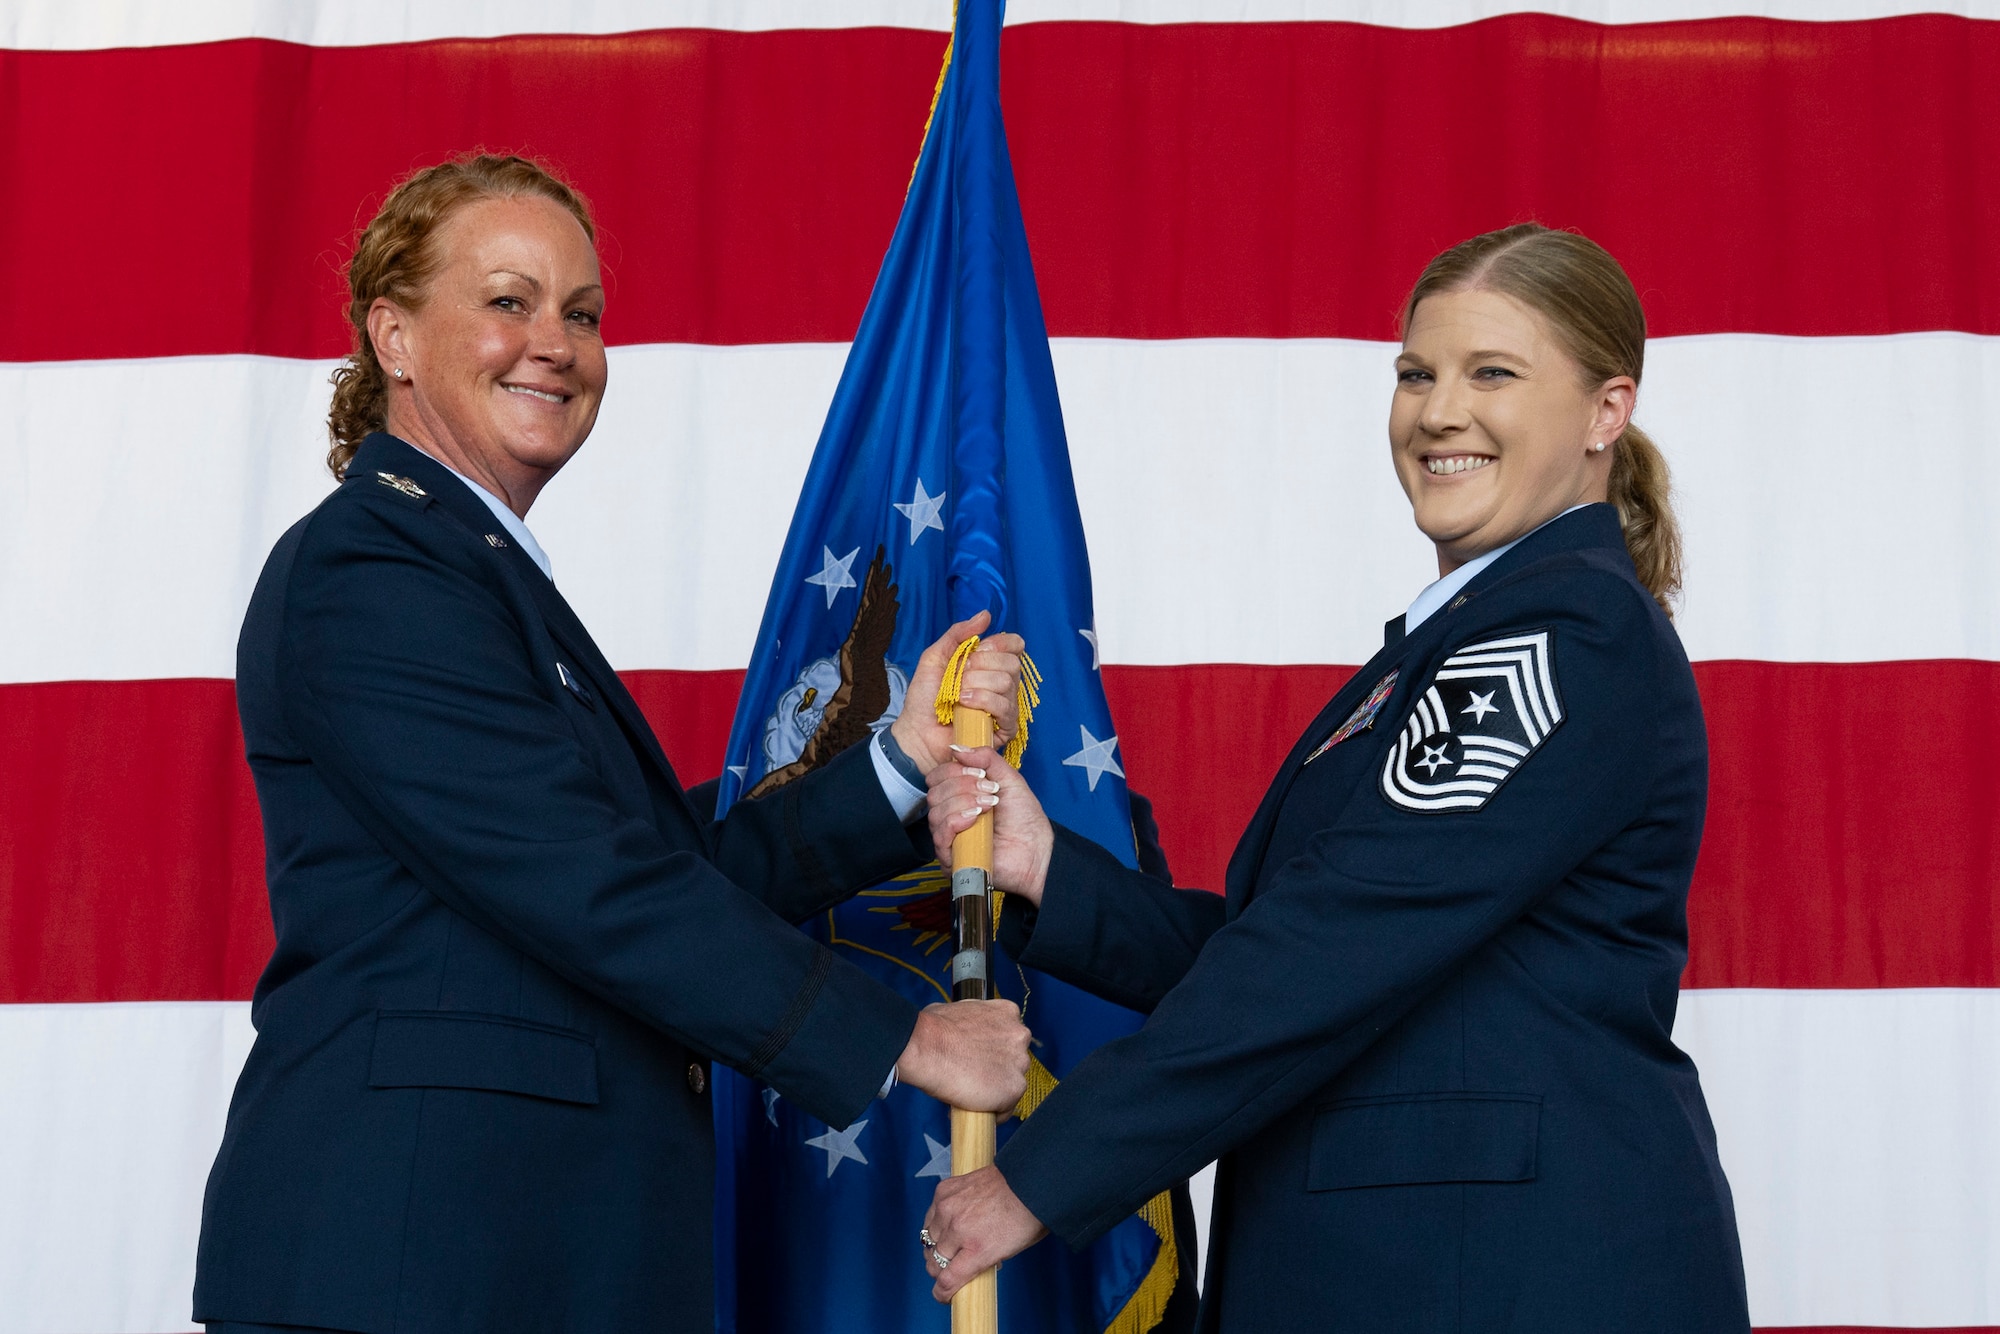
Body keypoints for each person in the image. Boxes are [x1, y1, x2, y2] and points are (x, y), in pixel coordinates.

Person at [193, 154, 1033, 1333]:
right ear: (392, 334)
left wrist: (896, 759)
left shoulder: (475, 574)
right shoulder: (368, 569)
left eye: (580, 313)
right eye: (507, 300)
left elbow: (645, 861)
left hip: (526, 1258)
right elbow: (583, 879)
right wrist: (906, 1033)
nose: (555, 341)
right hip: (416, 1267)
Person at [918, 223, 1753, 1331]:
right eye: (1416, 372)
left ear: (1606, 411)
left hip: (1494, 1279)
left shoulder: (1562, 630)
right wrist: (1047, 870)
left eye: (1492, 372)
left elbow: (1335, 942)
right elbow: (1301, 937)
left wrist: (1046, 1170)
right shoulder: (1445, 645)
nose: (1438, 411)